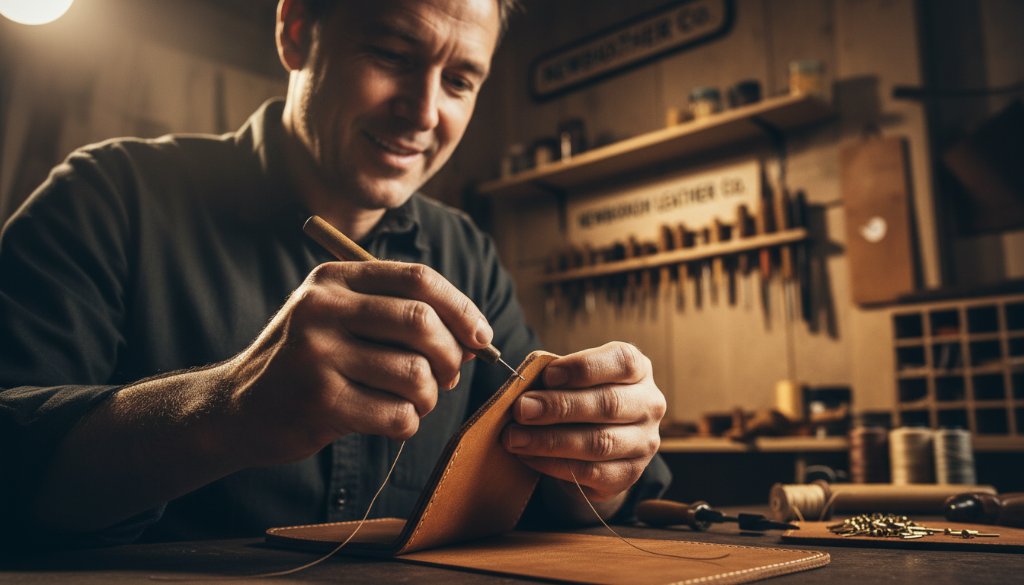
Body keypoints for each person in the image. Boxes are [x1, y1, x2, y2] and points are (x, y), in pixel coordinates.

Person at [0, 0, 669, 547]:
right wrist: (226, 410)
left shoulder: (466, 251)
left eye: (460, 80)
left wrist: (595, 467)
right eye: (391, 56)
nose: (425, 112)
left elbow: (549, 480)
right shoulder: (107, 197)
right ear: (296, 33)